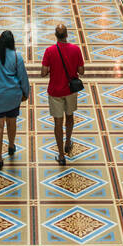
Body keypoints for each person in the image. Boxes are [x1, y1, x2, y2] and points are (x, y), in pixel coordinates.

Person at [0, 29, 29, 170]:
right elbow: (23, 78)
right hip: (12, 96)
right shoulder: (16, 57)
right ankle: (11, 145)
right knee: (11, 122)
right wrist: (26, 93)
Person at [41, 22, 84, 165]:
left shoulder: (49, 51)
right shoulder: (76, 50)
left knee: (57, 123)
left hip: (55, 91)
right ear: (66, 35)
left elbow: (43, 73)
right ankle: (67, 142)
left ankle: (61, 155)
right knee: (70, 116)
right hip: (70, 91)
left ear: (55, 35)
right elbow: (81, 71)